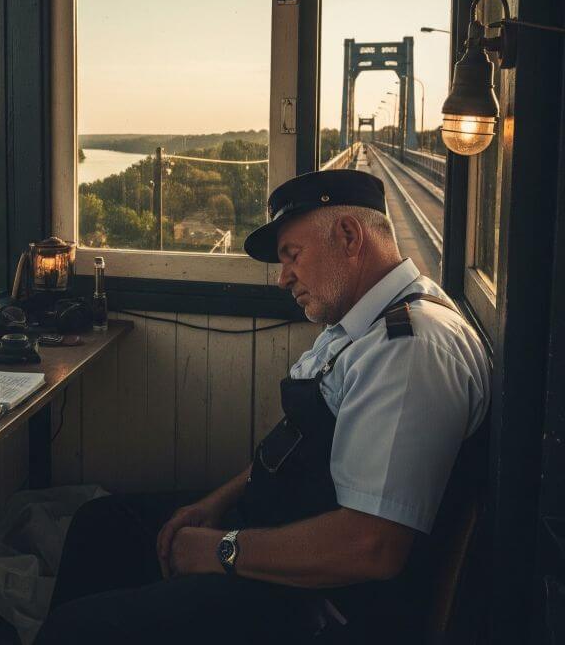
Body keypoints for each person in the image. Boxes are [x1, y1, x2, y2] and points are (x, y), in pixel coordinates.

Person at [35, 169, 490, 644]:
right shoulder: (365, 324)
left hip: (315, 602)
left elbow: (371, 546)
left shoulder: (408, 351)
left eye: (292, 255)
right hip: (275, 530)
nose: (282, 278)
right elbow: (298, 446)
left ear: (350, 236)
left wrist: (224, 552)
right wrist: (217, 502)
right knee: (101, 525)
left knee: (75, 630)